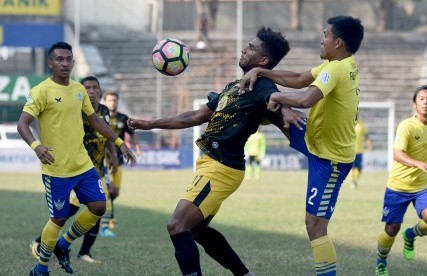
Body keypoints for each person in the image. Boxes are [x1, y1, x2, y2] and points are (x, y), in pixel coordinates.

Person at [128, 27, 302, 276]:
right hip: (213, 165)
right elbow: (196, 116)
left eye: (251, 47)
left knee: (177, 226)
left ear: (263, 61)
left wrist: (284, 109)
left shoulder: (262, 85)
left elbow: (274, 98)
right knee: (196, 230)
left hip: (221, 168)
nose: (244, 49)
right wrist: (150, 123)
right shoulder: (235, 86)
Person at [240, 16, 364, 275]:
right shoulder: (339, 64)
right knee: (274, 109)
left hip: (330, 159)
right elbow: (298, 78)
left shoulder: (336, 69)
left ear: (338, 42)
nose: (321, 39)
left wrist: (275, 96)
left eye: (325, 34)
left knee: (315, 225)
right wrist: (261, 72)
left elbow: (307, 98)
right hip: (313, 138)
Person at [17, 42, 137, 276]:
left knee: (98, 207)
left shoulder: (78, 90)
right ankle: (40, 268)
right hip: (56, 169)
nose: (64, 63)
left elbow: (95, 121)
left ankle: (63, 244)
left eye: (68, 59)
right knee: (59, 218)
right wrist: (36, 146)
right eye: (59, 59)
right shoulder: (41, 91)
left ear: (73, 62)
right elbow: (23, 124)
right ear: (50, 63)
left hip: (83, 165)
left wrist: (120, 144)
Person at [29, 76, 119, 264]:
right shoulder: (75, 109)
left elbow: (104, 132)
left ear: (100, 92)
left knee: (97, 208)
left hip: (94, 169)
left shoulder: (103, 111)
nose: (91, 91)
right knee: (66, 213)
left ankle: (82, 251)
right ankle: (41, 244)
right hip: (72, 168)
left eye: (95, 88)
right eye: (88, 88)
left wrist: (114, 153)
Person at [374, 85, 427, 276]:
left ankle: (410, 235)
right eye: (421, 98)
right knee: (391, 228)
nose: (425, 102)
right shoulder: (407, 126)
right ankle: (381, 261)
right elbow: (397, 154)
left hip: (423, 185)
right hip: (398, 185)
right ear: (415, 103)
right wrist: (417, 163)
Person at [103, 91, 142, 230]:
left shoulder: (122, 118)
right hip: (104, 159)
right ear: (105, 101)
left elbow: (132, 134)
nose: (113, 103)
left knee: (115, 193)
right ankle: (108, 220)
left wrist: (137, 148)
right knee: (108, 190)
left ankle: (105, 212)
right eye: (110, 100)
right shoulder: (101, 117)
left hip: (118, 159)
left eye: (115, 100)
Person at [348, 120, 373, 189]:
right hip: (350, 150)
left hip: (359, 151)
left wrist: (369, 145)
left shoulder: (362, 125)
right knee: (351, 167)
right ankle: (352, 181)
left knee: (359, 168)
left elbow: (367, 136)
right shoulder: (348, 123)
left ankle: (355, 180)